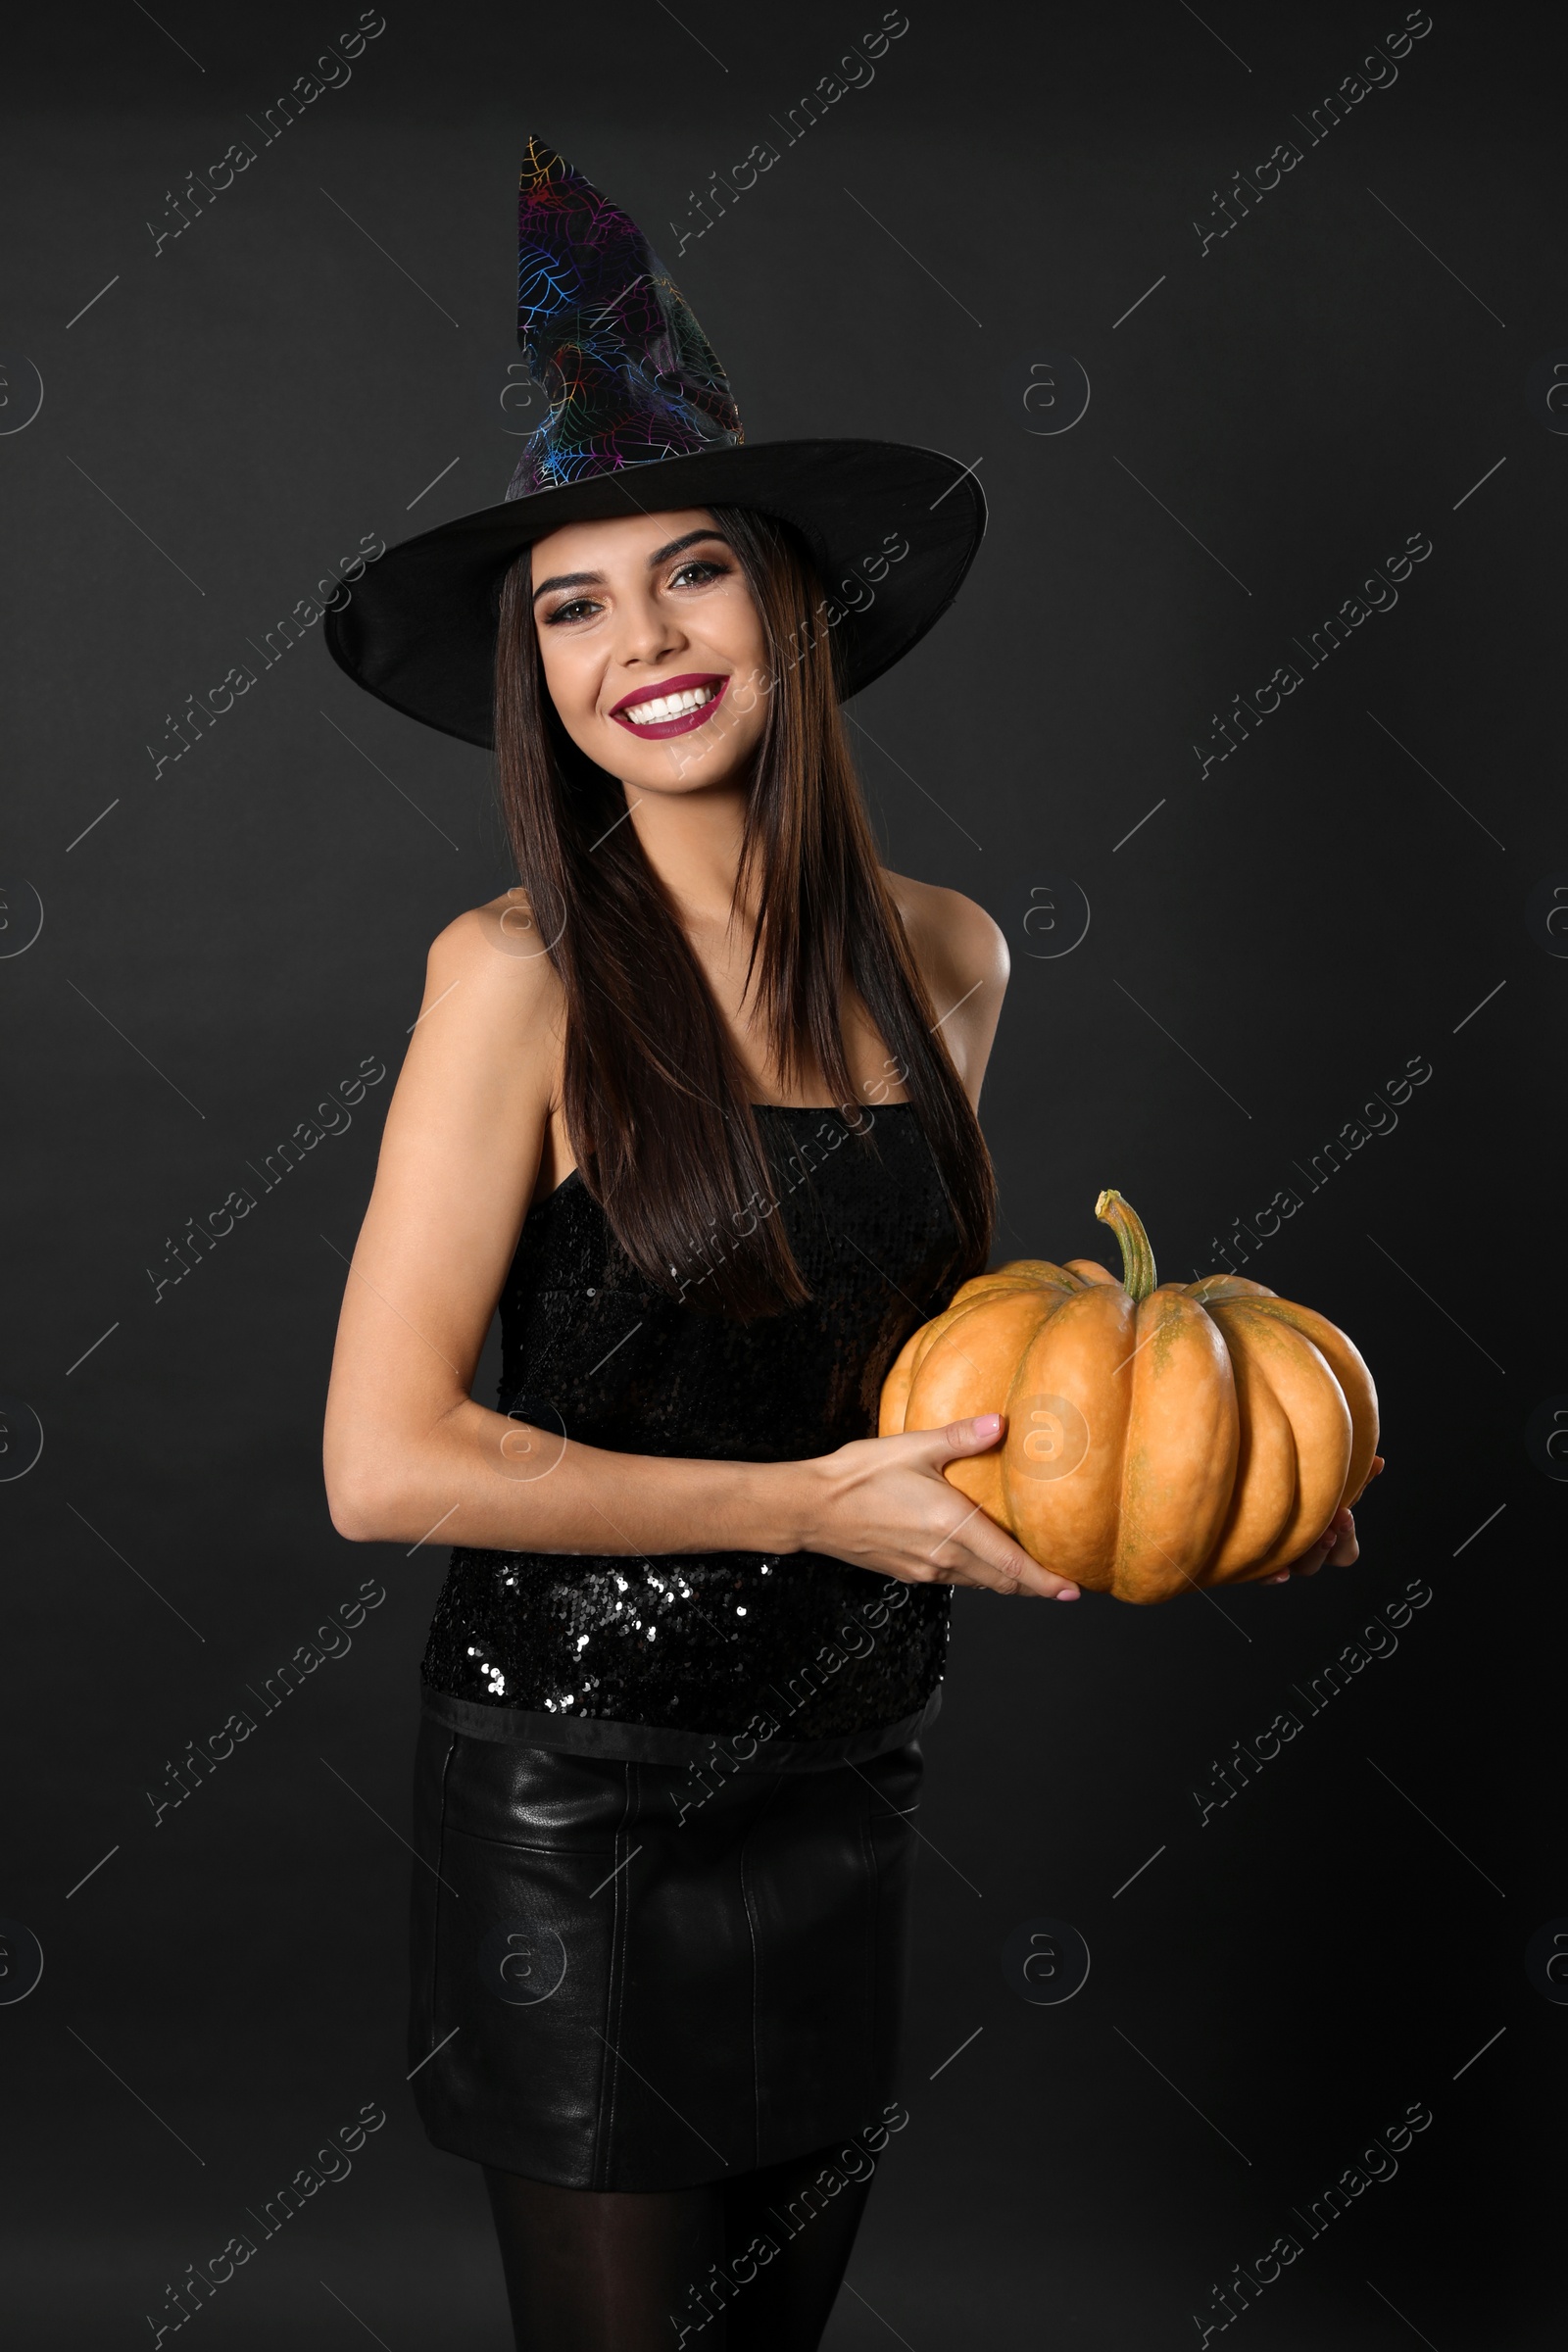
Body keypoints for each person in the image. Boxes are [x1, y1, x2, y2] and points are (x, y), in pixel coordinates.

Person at [320, 142, 1358, 2352]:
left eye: (687, 576)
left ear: (787, 606)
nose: (639, 646)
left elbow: (905, 1395)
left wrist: (1226, 1485)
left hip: (839, 1765)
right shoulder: (510, 978)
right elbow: (384, 1462)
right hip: (574, 1789)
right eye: (571, 609)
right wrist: (809, 1515)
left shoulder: (949, 963)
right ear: (537, 681)